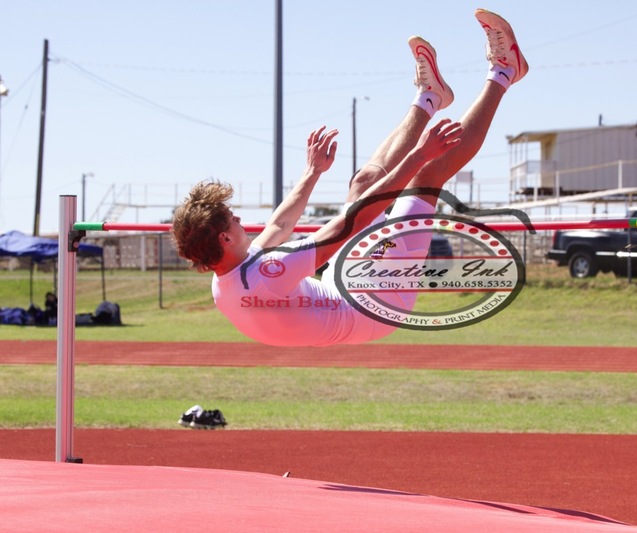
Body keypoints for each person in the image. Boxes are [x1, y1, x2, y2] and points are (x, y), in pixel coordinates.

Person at [171, 9, 529, 347]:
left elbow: (279, 225)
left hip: (345, 286)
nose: (237, 217)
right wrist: (419, 154)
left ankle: (430, 97)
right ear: (224, 237)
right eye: (230, 218)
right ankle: (505, 71)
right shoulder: (266, 275)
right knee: (425, 174)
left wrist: (312, 173)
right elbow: (353, 221)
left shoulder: (230, 270)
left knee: (362, 182)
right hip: (378, 303)